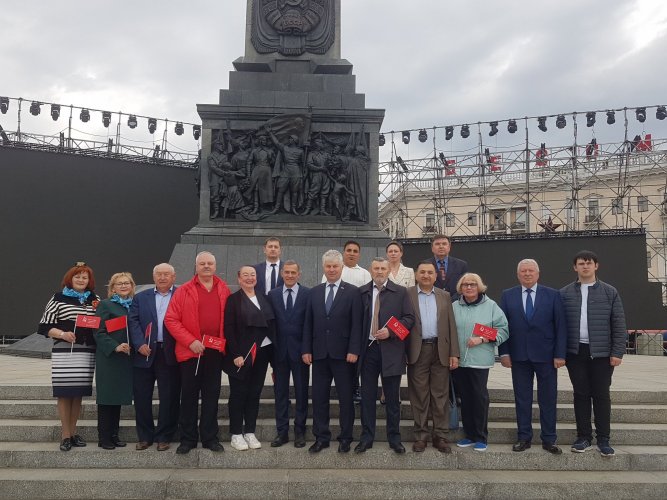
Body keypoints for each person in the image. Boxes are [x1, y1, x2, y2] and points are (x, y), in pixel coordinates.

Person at [559, 250, 627, 457]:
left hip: (602, 353)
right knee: (580, 394)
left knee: (601, 395)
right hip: (576, 352)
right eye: (581, 263)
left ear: (596, 266)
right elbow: (559, 326)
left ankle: (604, 439)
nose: (585, 266)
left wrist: (617, 352)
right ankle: (583, 437)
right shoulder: (565, 293)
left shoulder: (609, 292)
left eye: (589, 263)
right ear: (575, 267)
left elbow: (618, 323)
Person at [165, 251, 231, 454]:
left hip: (214, 352)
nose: (206, 266)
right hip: (191, 352)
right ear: (196, 267)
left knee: (212, 396)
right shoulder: (184, 290)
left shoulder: (224, 289)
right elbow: (171, 319)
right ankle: (188, 439)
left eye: (210, 263)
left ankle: (210, 438)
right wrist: (190, 341)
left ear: (215, 266)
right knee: (189, 397)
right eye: (202, 263)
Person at [499, 258, 567, 455]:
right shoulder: (507, 295)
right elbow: (503, 326)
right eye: (523, 271)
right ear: (518, 274)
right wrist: (504, 352)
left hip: (546, 357)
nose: (527, 274)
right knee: (522, 399)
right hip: (519, 356)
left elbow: (560, 326)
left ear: (538, 274)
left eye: (530, 271)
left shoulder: (553, 295)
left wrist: (560, 354)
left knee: (548, 398)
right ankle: (524, 437)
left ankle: (549, 439)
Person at [302, 249, 363, 453]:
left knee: (346, 398)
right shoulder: (314, 292)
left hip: (344, 354)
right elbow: (308, 324)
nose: (331, 269)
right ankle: (321, 437)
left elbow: (357, 325)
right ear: (323, 268)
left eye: (335, 266)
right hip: (319, 354)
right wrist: (306, 350)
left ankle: (345, 437)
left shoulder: (353, 292)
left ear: (341, 267)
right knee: (319, 398)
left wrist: (354, 349)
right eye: (328, 266)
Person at [38, 262, 100, 451]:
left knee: (78, 393)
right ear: (70, 279)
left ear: (89, 280)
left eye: (85, 277)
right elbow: (44, 326)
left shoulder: (94, 298)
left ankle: (74, 432)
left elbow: (100, 322)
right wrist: (62, 334)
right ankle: (65, 435)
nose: (81, 280)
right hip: (65, 351)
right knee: (65, 393)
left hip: (86, 351)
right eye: (77, 276)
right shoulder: (58, 297)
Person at [355, 257, 415, 454]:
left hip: (391, 350)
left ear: (389, 270)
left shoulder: (400, 292)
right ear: (370, 270)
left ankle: (394, 438)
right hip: (369, 351)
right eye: (376, 268)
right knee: (367, 397)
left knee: (391, 398)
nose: (379, 272)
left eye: (383, 268)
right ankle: (367, 437)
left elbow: (409, 319)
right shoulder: (362, 292)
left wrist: (391, 331)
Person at [406, 260, 460, 453]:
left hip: (440, 350)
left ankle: (441, 436)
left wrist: (454, 352)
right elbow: (403, 322)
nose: (426, 275)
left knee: (440, 395)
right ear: (416, 274)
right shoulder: (407, 294)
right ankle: (421, 436)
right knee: (419, 394)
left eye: (430, 272)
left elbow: (451, 325)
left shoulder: (444, 296)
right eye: (422, 272)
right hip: (417, 351)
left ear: (435, 276)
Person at [452, 273, 509, 452]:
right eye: (465, 285)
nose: (469, 287)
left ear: (480, 287)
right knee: (465, 398)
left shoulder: (491, 306)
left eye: (473, 284)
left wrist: (482, 339)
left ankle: (481, 436)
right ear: (461, 288)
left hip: (479, 361)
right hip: (459, 361)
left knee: (479, 398)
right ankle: (469, 435)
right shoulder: (454, 306)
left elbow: (503, 330)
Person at [128, 263, 180, 452]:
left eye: (167, 274)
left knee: (169, 397)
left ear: (174, 277)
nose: (163, 277)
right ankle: (144, 436)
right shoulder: (141, 297)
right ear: (153, 277)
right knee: (142, 397)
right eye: (159, 274)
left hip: (169, 353)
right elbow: (132, 321)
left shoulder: (181, 295)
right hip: (145, 352)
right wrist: (139, 343)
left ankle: (164, 436)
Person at [223, 265, 276, 451]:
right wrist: (236, 354)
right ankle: (236, 434)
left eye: (252, 275)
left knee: (254, 393)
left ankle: (250, 432)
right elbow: (229, 329)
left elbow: (271, 325)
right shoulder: (233, 300)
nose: (249, 278)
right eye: (245, 275)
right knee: (239, 394)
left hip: (262, 353)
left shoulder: (264, 297)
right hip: (242, 355)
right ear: (238, 278)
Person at [267, 260, 311, 448]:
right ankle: (282, 432)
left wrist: (307, 349)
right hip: (279, 353)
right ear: (282, 274)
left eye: (294, 272)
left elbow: (310, 325)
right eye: (287, 272)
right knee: (280, 393)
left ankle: (300, 431)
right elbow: (270, 324)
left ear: (299, 274)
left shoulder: (308, 294)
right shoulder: (272, 295)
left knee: (301, 393)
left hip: (301, 353)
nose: (290, 275)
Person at [93, 272, 135, 450]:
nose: (124, 286)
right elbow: (98, 331)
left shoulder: (133, 306)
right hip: (109, 358)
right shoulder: (105, 305)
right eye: (119, 284)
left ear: (132, 286)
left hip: (126, 360)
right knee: (107, 399)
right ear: (113, 288)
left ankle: (114, 434)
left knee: (117, 398)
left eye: (127, 283)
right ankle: (104, 437)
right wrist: (115, 346)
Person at [429, 235, 468, 300]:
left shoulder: (461, 265)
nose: (441, 246)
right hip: (432, 303)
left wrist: (452, 301)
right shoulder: (424, 265)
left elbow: (464, 286)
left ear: (449, 247)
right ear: (432, 248)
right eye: (437, 244)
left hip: (456, 303)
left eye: (444, 244)